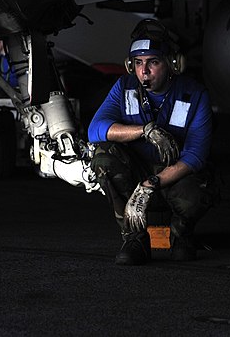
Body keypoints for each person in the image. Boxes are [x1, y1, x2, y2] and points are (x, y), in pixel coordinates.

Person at [87, 19, 217, 265]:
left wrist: (149, 185)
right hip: (136, 168)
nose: (144, 72)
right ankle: (134, 238)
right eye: (138, 63)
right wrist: (145, 131)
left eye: (153, 62)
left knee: (200, 187)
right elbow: (96, 129)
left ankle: (181, 234)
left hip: (175, 174)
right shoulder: (124, 88)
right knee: (103, 157)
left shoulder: (194, 94)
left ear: (172, 64)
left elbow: (196, 155)